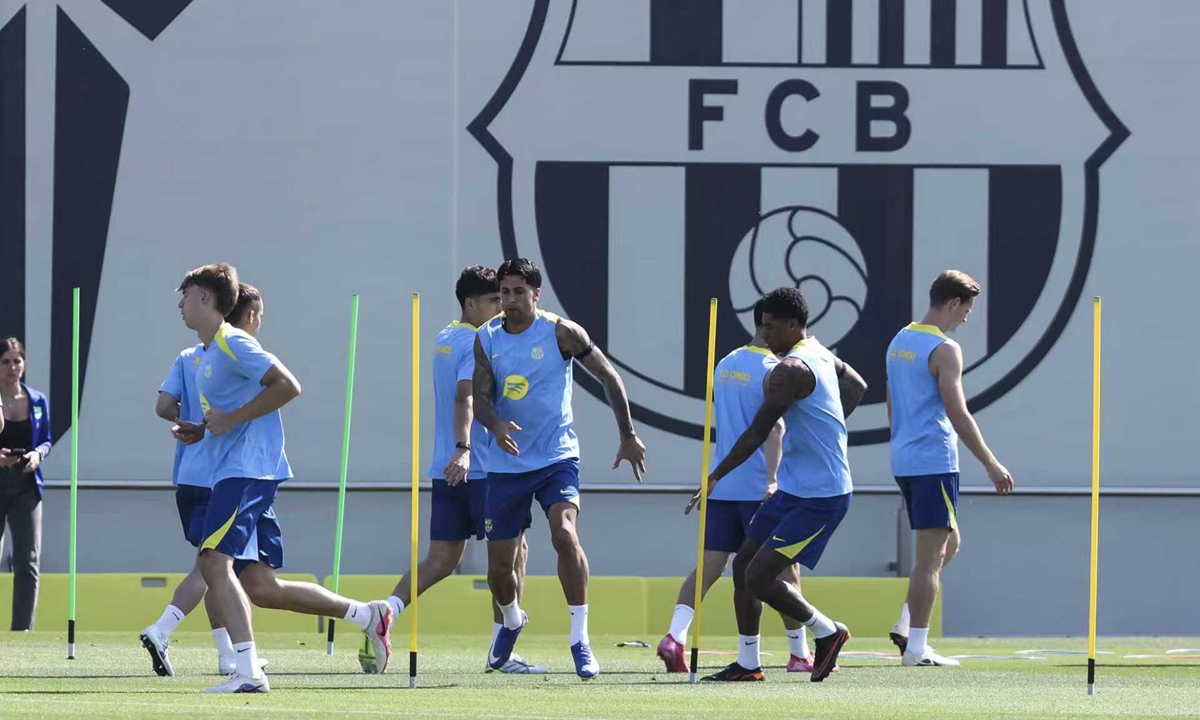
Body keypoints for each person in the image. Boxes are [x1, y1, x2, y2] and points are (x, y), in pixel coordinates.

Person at [167, 264, 391, 693]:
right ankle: (368, 615)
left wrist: (231, 418)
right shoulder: (209, 355)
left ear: (206, 298)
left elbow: (287, 385)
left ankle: (248, 673)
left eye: (186, 295)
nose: (180, 304)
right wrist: (203, 429)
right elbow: (233, 414)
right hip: (237, 470)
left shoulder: (234, 342)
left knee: (212, 561)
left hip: (248, 472)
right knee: (261, 588)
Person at [361, 266, 546, 675]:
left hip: (445, 467)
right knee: (512, 554)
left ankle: (385, 611)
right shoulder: (477, 341)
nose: (502, 307)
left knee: (441, 560)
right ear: (470, 303)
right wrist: (465, 450)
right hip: (481, 468)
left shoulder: (445, 337)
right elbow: (466, 397)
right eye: (494, 300)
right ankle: (503, 649)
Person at [473, 258, 646, 679]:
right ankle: (512, 619)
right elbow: (480, 398)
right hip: (508, 463)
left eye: (519, 292)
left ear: (536, 294)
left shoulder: (561, 332)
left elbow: (608, 376)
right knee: (499, 571)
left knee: (564, 534)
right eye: (504, 293)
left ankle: (579, 639)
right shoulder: (487, 337)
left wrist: (628, 434)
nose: (510, 300)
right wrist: (495, 425)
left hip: (556, 456)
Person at [697, 287, 866, 683]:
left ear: (792, 325)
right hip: (793, 490)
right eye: (761, 326)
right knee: (743, 566)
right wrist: (828, 425)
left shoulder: (790, 370)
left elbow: (759, 431)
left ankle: (828, 631)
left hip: (822, 496)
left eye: (769, 327)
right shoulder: (820, 352)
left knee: (759, 576)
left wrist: (717, 474)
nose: (764, 335)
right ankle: (748, 663)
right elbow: (857, 385)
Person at [659, 300, 824, 674]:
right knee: (784, 571)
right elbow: (775, 428)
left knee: (706, 570)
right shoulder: (775, 370)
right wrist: (773, 479)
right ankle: (800, 654)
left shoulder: (725, 364)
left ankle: (674, 636)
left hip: (722, 484)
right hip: (757, 490)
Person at [885, 270, 1014, 667]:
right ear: (954, 303)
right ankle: (917, 649)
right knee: (929, 559)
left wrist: (901, 441)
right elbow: (958, 412)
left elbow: (891, 399)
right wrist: (991, 462)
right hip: (933, 461)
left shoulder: (900, 340)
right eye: (966, 310)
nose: (966, 318)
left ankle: (906, 623)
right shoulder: (944, 349)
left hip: (906, 459)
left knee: (950, 543)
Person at [141, 284, 270, 676]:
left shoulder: (188, 357)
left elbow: (163, 405)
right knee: (213, 564)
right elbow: (280, 390)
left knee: (216, 566)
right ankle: (163, 629)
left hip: (189, 475)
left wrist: (189, 418)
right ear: (247, 316)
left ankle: (228, 654)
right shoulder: (238, 355)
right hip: (224, 474)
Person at [0, 338, 52, 631]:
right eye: (5, 361)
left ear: (24, 364)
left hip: (26, 485)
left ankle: (22, 630)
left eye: (17, 361)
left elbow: (46, 439)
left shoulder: (37, 400)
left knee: (28, 560)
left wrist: (36, 455)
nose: (12, 367)